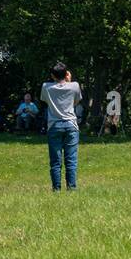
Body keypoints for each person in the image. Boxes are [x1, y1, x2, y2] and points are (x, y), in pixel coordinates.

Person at [41, 63, 82, 191]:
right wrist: (69, 81)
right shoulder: (74, 86)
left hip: (54, 125)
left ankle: (56, 189)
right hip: (71, 125)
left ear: (52, 75)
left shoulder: (46, 87)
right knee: (71, 160)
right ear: (66, 74)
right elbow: (76, 102)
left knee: (55, 161)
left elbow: (45, 100)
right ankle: (71, 188)